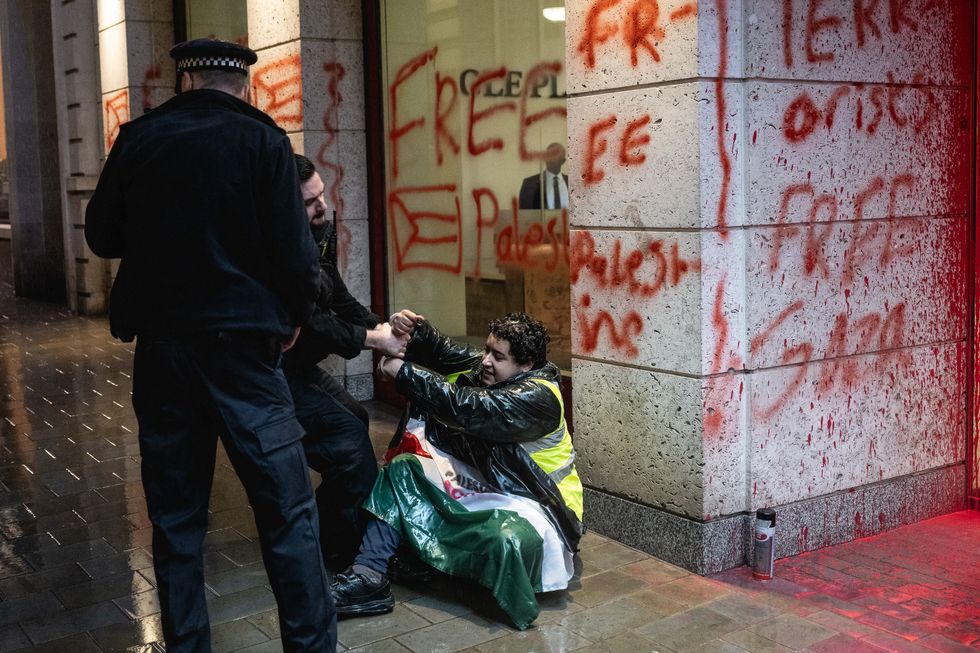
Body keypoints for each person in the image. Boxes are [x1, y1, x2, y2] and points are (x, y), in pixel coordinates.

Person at [84, 39, 334, 652]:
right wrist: (296, 315)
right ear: (243, 85)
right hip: (244, 356)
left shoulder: (138, 138)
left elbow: (100, 233)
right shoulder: (264, 142)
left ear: (186, 80)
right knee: (288, 516)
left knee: (175, 525)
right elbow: (295, 255)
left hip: (164, 353)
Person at [330, 311, 584, 630]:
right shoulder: (491, 367)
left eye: (498, 356)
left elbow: (470, 407)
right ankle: (369, 571)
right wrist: (411, 329)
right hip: (486, 484)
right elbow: (444, 350)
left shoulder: (539, 398)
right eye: (487, 350)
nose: (486, 361)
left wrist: (402, 372)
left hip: (537, 505)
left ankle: (421, 559)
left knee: (504, 540)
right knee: (404, 468)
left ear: (527, 364)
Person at [285, 153, 407, 569]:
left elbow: (336, 296)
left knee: (355, 419)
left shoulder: (317, 231)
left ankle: (331, 534)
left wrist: (384, 327)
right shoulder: (275, 249)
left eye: (322, 195)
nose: (322, 207)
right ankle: (342, 551)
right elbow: (312, 321)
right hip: (269, 373)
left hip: (298, 367)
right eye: (309, 202)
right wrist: (373, 340)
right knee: (347, 444)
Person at [518, 142, 569, 210]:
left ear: (563, 161)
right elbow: (525, 215)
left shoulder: (572, 183)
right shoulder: (530, 183)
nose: (551, 159)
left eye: (556, 155)